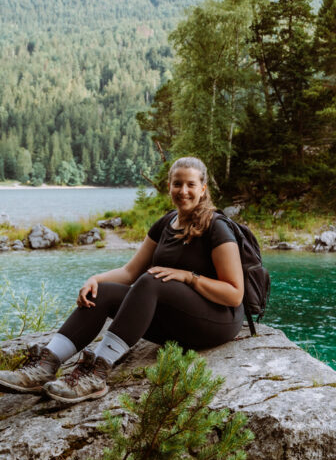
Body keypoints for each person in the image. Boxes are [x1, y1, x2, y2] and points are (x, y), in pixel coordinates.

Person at [0, 157, 245, 404]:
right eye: (177, 184)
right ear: (168, 186)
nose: (183, 191)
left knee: (151, 280)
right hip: (178, 321)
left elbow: (235, 294)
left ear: (203, 188)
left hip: (217, 321)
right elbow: (130, 272)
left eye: (191, 185)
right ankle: (44, 365)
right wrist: (94, 279)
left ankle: (96, 372)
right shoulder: (165, 224)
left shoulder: (217, 228)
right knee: (103, 292)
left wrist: (188, 277)